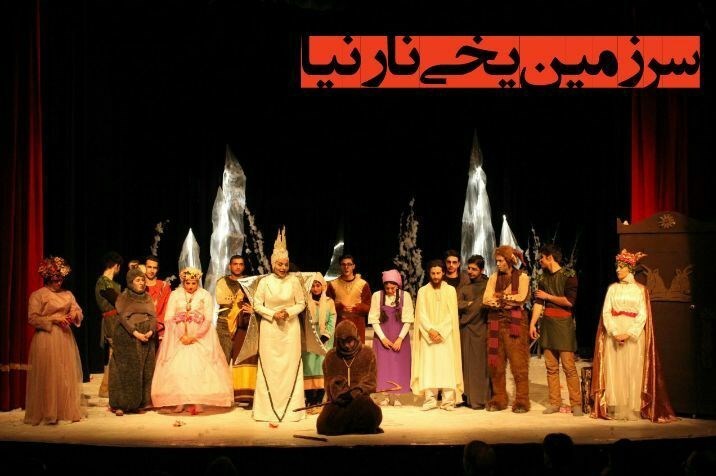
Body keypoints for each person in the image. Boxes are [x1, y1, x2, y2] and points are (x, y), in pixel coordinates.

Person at [590, 249, 676, 422]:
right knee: (615, 369)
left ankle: (633, 406)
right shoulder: (612, 289)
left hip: (633, 335)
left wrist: (629, 333)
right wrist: (615, 332)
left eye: (621, 267)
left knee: (633, 370)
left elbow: (643, 314)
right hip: (615, 333)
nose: (617, 270)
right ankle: (616, 404)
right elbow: (606, 312)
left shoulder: (640, 290)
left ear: (630, 269)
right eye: (617, 267)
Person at [151, 267, 233, 414]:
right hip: (178, 336)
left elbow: (208, 318)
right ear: (183, 282)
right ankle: (179, 401)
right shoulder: (176, 294)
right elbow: (169, 317)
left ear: (198, 282)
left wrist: (195, 336)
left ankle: (198, 401)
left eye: (193, 283)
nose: (190, 286)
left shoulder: (204, 295)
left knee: (199, 369)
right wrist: (181, 335)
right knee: (179, 369)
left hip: (199, 336)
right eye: (187, 283)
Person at [252, 228, 307, 422]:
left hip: (290, 329)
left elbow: (301, 303)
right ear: (272, 263)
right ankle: (265, 411)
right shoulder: (264, 282)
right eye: (279, 264)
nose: (283, 268)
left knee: (290, 366)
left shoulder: (294, 281)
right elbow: (257, 304)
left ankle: (293, 409)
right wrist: (272, 314)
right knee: (270, 367)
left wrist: (288, 312)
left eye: (285, 264)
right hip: (270, 329)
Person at [24, 257, 86, 425]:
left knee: (64, 373)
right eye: (55, 279)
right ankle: (48, 411)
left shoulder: (68, 294)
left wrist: (73, 315)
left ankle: (64, 410)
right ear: (48, 278)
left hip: (64, 337)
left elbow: (78, 311)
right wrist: (54, 319)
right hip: (47, 338)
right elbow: (32, 318)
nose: (59, 282)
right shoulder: (38, 295)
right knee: (49, 374)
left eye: (60, 279)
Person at [529, 243, 582, 416]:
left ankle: (576, 403)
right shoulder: (542, 277)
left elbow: (569, 302)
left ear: (550, 257)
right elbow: (539, 302)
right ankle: (554, 402)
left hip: (564, 324)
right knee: (551, 367)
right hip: (548, 324)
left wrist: (548, 296)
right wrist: (532, 323)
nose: (540, 261)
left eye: (542, 258)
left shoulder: (569, 275)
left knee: (569, 366)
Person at [482, 245, 531, 413]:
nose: (498, 264)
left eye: (501, 261)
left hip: (515, 323)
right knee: (495, 363)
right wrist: (506, 301)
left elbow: (521, 298)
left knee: (519, 364)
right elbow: (486, 299)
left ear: (509, 261)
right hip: (495, 322)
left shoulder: (522, 277)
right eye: (496, 261)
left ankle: (522, 400)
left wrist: (500, 297)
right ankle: (499, 398)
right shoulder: (493, 277)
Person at [411, 259, 463, 411]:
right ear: (429, 274)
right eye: (433, 273)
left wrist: (440, 331)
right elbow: (420, 314)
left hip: (445, 336)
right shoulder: (423, 291)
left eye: (438, 273)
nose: (435, 276)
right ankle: (430, 400)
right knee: (428, 367)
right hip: (428, 336)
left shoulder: (450, 290)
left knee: (447, 367)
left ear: (443, 273)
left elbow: (451, 315)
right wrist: (430, 330)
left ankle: (447, 401)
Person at [317, 320, 382, 435]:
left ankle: (349, 424)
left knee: (371, 414)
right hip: (339, 402)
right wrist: (340, 394)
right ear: (338, 341)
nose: (347, 345)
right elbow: (329, 383)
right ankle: (353, 425)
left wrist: (356, 392)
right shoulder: (331, 357)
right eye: (343, 342)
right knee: (323, 425)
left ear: (356, 337)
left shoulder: (367, 353)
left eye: (350, 341)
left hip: (360, 400)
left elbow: (371, 381)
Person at [109, 267, 156, 416]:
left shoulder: (147, 297)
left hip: (146, 335)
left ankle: (138, 403)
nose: (141, 283)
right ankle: (122, 404)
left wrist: (150, 331)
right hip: (127, 336)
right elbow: (123, 318)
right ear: (130, 282)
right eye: (138, 280)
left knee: (145, 369)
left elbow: (153, 316)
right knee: (127, 370)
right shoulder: (124, 297)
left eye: (143, 280)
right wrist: (136, 333)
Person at [214, 254, 257, 406]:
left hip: (242, 324)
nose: (238, 267)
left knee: (242, 360)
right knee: (223, 358)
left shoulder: (249, 282)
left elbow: (253, 300)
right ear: (230, 266)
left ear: (244, 266)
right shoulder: (222, 281)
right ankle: (221, 395)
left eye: (241, 264)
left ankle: (242, 395)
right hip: (224, 323)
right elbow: (221, 299)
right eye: (235, 264)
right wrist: (238, 299)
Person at [368, 269, 414, 406]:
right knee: (383, 365)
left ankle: (397, 396)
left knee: (399, 365)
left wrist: (400, 339)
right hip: (382, 337)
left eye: (392, 288)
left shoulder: (405, 296)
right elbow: (373, 319)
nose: (389, 290)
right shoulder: (377, 296)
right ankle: (385, 395)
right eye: (387, 288)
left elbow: (408, 320)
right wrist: (383, 338)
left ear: (397, 286)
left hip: (400, 337)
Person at [457, 255, 490, 409]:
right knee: (466, 363)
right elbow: (456, 304)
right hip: (466, 330)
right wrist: (470, 304)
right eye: (469, 268)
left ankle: (481, 399)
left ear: (481, 270)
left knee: (480, 364)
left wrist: (470, 305)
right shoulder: (465, 287)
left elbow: (487, 303)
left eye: (474, 269)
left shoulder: (488, 286)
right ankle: (468, 397)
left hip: (482, 328)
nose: (470, 271)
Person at [302, 273, 336, 411]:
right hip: (309, 337)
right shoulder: (305, 302)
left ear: (323, 286)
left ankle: (319, 400)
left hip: (324, 338)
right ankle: (310, 400)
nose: (315, 289)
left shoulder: (329, 302)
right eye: (313, 286)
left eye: (318, 285)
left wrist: (325, 336)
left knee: (321, 367)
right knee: (309, 367)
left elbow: (332, 319)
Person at [94, 251, 123, 398]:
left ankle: (109, 387)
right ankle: (105, 388)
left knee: (116, 353)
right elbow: (117, 300)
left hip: (117, 318)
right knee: (115, 354)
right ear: (116, 266)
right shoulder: (103, 282)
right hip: (112, 320)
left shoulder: (112, 283)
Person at [326, 254, 372, 343]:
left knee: (357, 349)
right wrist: (339, 306)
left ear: (353, 266)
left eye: (349, 264)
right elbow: (327, 306)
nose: (346, 267)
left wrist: (357, 307)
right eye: (343, 264)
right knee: (340, 349)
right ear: (340, 266)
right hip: (339, 324)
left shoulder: (363, 284)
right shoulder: (333, 284)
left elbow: (369, 306)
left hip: (357, 325)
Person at [144, 255, 172, 342]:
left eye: (154, 268)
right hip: (141, 328)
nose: (152, 270)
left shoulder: (164, 286)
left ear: (158, 269)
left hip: (159, 330)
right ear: (144, 267)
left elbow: (167, 308)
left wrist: (157, 325)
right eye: (149, 267)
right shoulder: (139, 286)